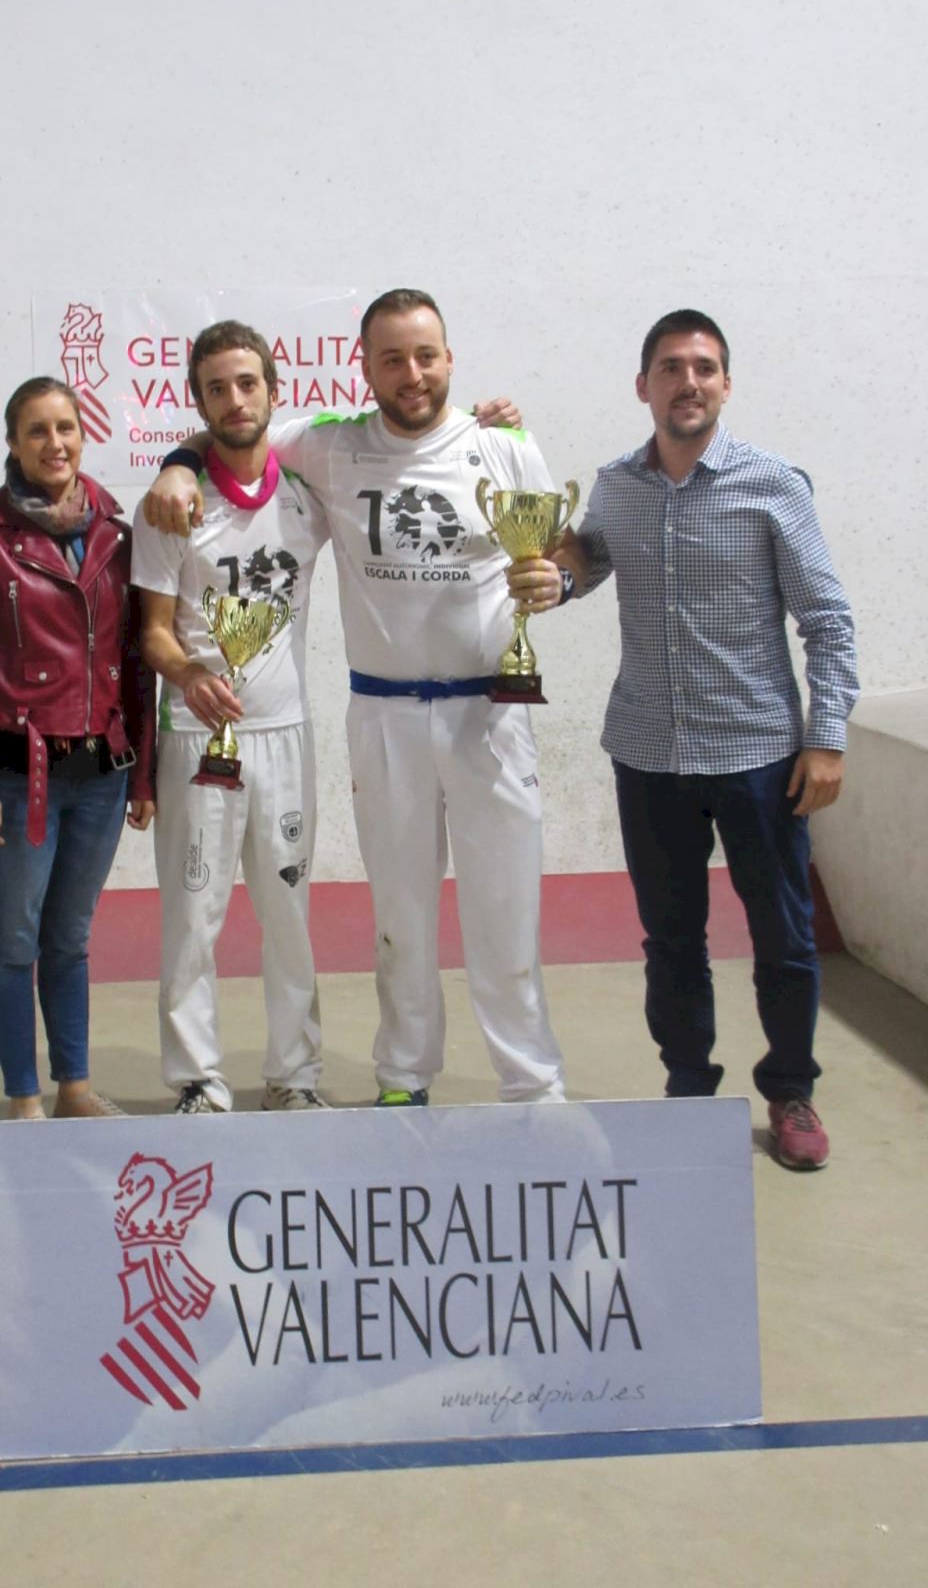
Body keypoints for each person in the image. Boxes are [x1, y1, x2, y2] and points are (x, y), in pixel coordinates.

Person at [145, 290, 564, 1108]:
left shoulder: (504, 446)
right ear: (364, 368)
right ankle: (404, 1076)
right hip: (385, 718)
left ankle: (533, 1085)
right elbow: (233, 432)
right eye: (393, 359)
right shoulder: (330, 445)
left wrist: (560, 579)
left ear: (450, 358)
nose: (413, 374)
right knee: (400, 917)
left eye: (427, 356)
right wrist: (177, 464)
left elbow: (557, 546)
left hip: (491, 715)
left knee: (505, 911)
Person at [511, 309, 858, 1169]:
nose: (688, 381)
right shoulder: (617, 484)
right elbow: (590, 555)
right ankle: (688, 1093)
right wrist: (558, 577)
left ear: (725, 384)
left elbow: (827, 620)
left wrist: (827, 738)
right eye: (671, 367)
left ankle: (791, 1090)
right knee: (671, 943)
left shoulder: (773, 484)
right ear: (644, 386)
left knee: (783, 937)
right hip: (648, 755)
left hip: (761, 757)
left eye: (704, 367)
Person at [0, 377, 156, 1119]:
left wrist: (143, 775)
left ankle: (74, 1088)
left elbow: (137, 665)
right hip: (15, 776)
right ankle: (23, 1097)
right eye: (37, 430)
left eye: (65, 428)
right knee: (14, 939)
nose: (54, 443)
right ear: (12, 443)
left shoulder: (117, 537)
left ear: (83, 436)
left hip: (102, 778)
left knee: (70, 938)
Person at [131, 321, 330, 1115]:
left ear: (274, 392)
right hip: (195, 739)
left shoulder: (309, 495)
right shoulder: (169, 507)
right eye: (217, 388)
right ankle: (197, 1081)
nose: (235, 399)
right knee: (192, 919)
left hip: (285, 737)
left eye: (248, 383)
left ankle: (295, 1076)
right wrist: (189, 675)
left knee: (290, 917)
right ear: (198, 401)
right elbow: (151, 632)